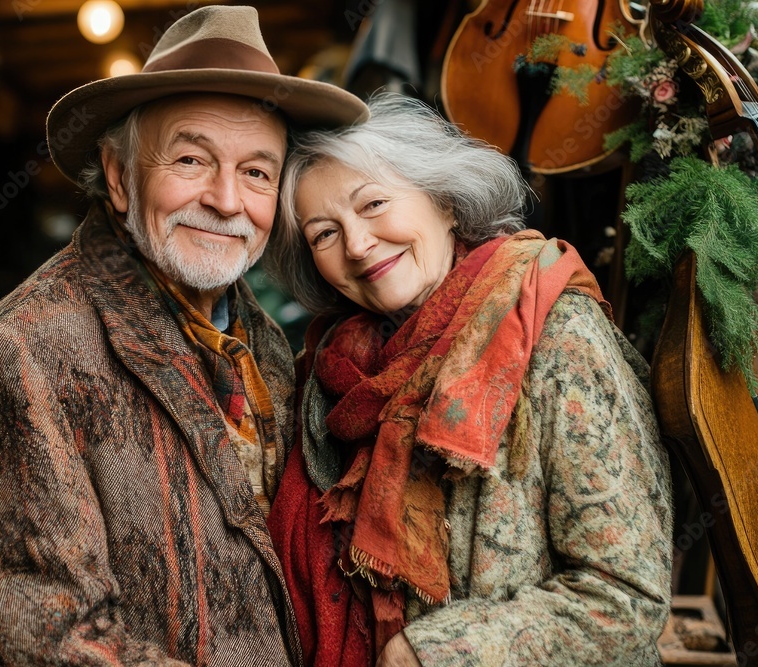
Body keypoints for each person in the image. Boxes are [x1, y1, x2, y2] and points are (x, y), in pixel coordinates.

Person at [0, 5, 368, 665]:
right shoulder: (22, 353)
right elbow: (41, 644)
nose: (226, 198)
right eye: (191, 158)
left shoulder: (267, 344)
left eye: (257, 173)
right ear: (117, 176)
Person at [265, 94, 674, 666]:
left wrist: (436, 652)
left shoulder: (553, 331)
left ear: (447, 203)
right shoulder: (334, 374)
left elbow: (628, 599)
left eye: (374, 203)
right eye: (324, 234)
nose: (357, 245)